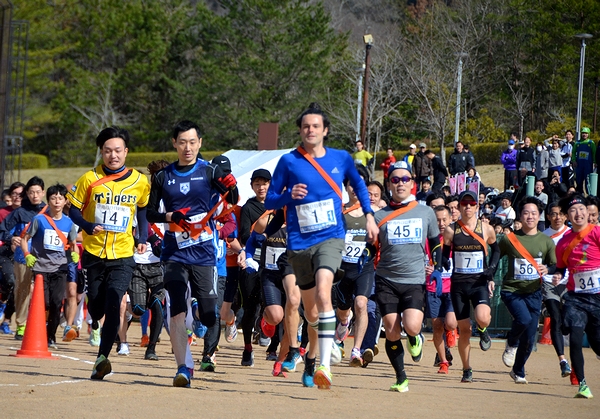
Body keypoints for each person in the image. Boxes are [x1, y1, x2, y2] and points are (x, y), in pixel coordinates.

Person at [264, 103, 378, 389]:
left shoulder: (341, 158)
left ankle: (325, 366)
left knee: (325, 293)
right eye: (305, 126)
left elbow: (360, 186)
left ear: (325, 130)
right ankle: (311, 358)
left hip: (331, 237)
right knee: (310, 311)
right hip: (300, 242)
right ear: (300, 131)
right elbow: (270, 200)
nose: (310, 130)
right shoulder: (289, 162)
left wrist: (369, 215)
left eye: (316, 126)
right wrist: (288, 194)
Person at [145, 120, 238, 387]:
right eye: (182, 142)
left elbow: (232, 200)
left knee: (209, 316)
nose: (187, 147)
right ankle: (183, 367)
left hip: (204, 253)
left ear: (200, 143)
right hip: (174, 252)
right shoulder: (164, 177)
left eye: (192, 142)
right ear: (174, 143)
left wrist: (231, 185)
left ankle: (199, 311)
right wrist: (170, 215)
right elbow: (150, 212)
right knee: (175, 309)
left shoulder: (209, 172)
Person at [67, 127, 151, 380]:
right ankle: (93, 320)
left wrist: (143, 238)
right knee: (96, 303)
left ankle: (102, 358)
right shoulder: (88, 179)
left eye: (117, 150)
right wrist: (88, 226)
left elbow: (144, 212)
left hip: (123, 253)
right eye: (107, 151)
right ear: (101, 152)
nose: (113, 155)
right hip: (93, 252)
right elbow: (74, 211)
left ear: (126, 152)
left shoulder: (140, 181)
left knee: (116, 299)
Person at [374, 160, 442, 392]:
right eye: (395, 179)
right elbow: (372, 247)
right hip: (386, 279)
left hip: (414, 279)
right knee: (392, 330)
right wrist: (364, 255)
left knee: (412, 326)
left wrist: (438, 261)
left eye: (405, 179)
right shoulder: (378, 215)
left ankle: (415, 338)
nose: (400, 183)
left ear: (412, 183)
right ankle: (401, 377)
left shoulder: (426, 212)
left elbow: (434, 241)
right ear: (389, 184)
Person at [498, 196, 557, 384]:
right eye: (526, 213)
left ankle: (518, 370)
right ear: (520, 216)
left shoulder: (546, 241)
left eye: (534, 213)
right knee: (523, 320)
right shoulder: (509, 240)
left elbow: (555, 265)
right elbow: (495, 257)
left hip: (534, 293)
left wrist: (548, 269)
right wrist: (489, 278)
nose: (530, 216)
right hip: (512, 290)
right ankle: (511, 342)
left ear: (539, 216)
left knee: (531, 337)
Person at [442, 190, 499, 383]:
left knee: (482, 318)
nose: (468, 207)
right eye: (464, 204)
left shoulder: (486, 228)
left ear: (477, 206)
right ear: (459, 207)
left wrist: (491, 268)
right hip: (458, 285)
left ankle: (483, 330)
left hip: (478, 283)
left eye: (471, 204)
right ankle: (466, 368)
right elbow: (445, 251)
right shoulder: (451, 230)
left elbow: (497, 249)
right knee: (464, 329)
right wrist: (443, 261)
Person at [20, 184, 79, 348]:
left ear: (65, 201)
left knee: (56, 302)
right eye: (53, 198)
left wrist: (75, 254)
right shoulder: (39, 220)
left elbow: (73, 243)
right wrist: (27, 255)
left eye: (60, 198)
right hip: (40, 267)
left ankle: (50, 336)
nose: (57, 201)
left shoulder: (68, 223)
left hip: (60, 268)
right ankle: (37, 329)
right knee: (44, 303)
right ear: (49, 200)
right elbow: (25, 239)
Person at [555, 194, 600, 398]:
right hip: (576, 298)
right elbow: (560, 269)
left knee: (597, 342)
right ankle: (582, 384)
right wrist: (556, 275)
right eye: (573, 210)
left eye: (581, 209)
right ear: (567, 216)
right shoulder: (563, 244)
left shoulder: (597, 233)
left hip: (598, 298)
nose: (578, 213)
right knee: (574, 336)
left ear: (587, 212)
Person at [128, 160, 170, 361]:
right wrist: (147, 239)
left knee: (158, 305)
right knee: (138, 308)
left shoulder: (173, 201)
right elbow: (131, 229)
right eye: (157, 176)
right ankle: (122, 332)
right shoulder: (141, 199)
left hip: (159, 265)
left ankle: (151, 348)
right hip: (138, 261)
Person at [333, 176, 375, 367]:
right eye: (352, 185)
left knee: (361, 304)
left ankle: (356, 349)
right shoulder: (339, 211)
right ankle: (343, 323)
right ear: (346, 187)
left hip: (363, 268)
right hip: (342, 269)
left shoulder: (372, 213)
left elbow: (377, 241)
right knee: (343, 312)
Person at [0, 177, 47, 340]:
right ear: (27, 193)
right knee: (22, 290)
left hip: (45, 258)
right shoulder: (19, 212)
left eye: (38, 192)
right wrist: (10, 238)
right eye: (31, 192)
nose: (35, 195)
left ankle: (44, 325)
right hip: (22, 257)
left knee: (46, 292)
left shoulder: (48, 210)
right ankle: (21, 325)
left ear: (43, 193)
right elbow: (2, 230)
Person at [238, 168, 272, 366]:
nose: (261, 187)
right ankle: (247, 348)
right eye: (257, 184)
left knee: (274, 303)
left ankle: (271, 340)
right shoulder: (248, 208)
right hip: (253, 261)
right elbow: (243, 235)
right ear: (252, 186)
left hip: (275, 262)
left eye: (265, 183)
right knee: (250, 306)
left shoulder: (278, 207)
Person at [542, 202, 572, 378]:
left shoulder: (571, 233)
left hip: (569, 282)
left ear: (566, 216)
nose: (557, 217)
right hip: (549, 282)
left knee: (567, 324)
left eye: (561, 214)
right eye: (553, 214)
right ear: (548, 217)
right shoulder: (543, 236)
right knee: (555, 317)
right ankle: (562, 361)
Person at [426, 205, 456, 374]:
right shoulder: (429, 240)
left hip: (452, 288)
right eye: (438, 220)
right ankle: (443, 361)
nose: (441, 223)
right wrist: (426, 267)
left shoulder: (456, 239)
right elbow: (420, 258)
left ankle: (451, 331)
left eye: (445, 219)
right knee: (437, 326)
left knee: (450, 323)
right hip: (433, 287)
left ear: (451, 219)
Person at [573, 127, 595, 193]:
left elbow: (594, 153)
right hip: (579, 165)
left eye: (586, 133)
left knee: (588, 181)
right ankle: (580, 194)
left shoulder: (591, 143)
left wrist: (594, 162)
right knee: (578, 180)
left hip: (588, 165)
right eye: (583, 133)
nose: (584, 134)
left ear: (588, 134)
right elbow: (573, 152)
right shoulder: (577, 143)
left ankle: (589, 196)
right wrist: (573, 160)